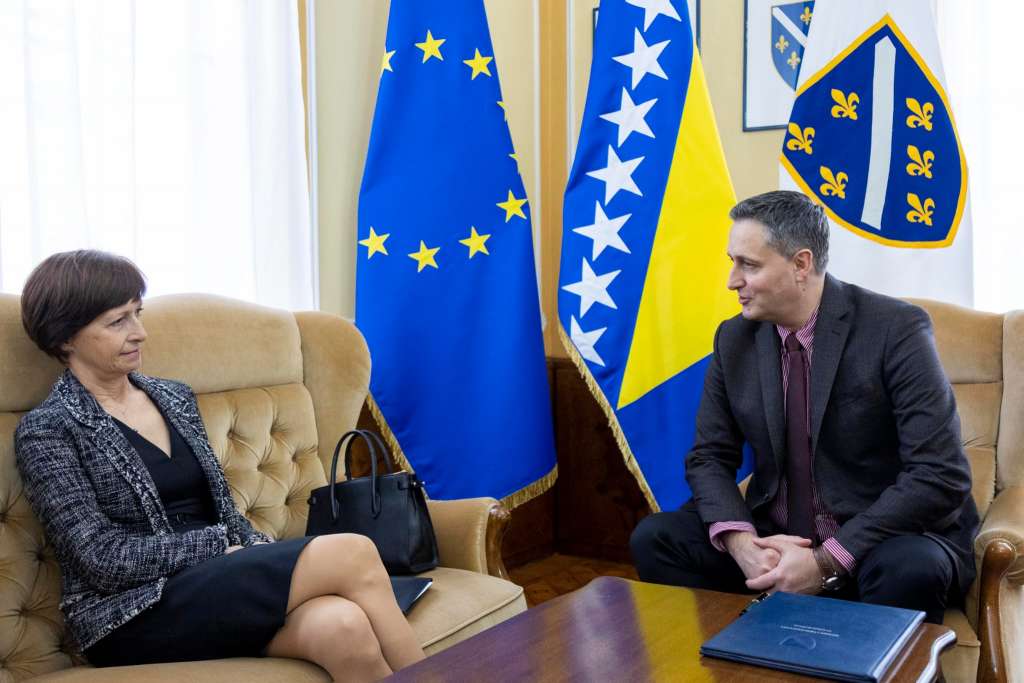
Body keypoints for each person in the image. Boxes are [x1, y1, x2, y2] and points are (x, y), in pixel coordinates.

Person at [15, 250, 425, 680]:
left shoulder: (173, 397)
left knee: (343, 627)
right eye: (117, 322)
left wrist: (250, 548)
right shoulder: (49, 430)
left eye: (138, 313)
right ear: (66, 338)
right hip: (132, 611)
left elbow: (224, 511)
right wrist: (218, 546)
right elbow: (100, 559)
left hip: (215, 581)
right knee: (353, 552)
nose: (139, 333)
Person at [630, 191, 980, 624]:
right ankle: (741, 650)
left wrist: (826, 561)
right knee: (656, 538)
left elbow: (939, 473)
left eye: (749, 265)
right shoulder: (734, 339)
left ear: (801, 264)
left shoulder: (895, 329)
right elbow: (709, 457)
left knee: (910, 568)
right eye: (733, 262)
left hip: (876, 540)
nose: (732, 281)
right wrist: (743, 546)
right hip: (776, 539)